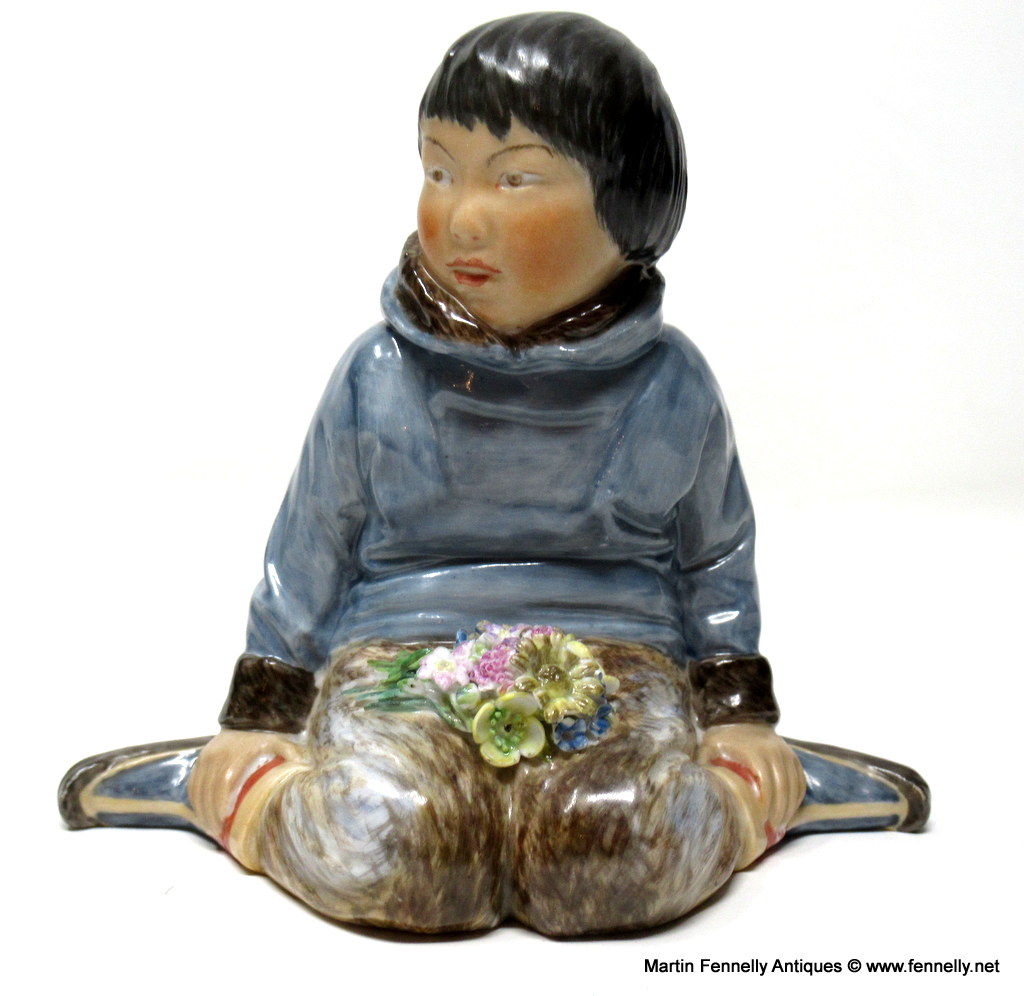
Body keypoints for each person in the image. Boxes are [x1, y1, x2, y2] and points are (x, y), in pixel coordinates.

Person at [59, 12, 928, 936]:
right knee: (407, 850)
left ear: (629, 206)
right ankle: (239, 792)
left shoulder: (670, 384)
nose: (460, 216)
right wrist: (259, 722)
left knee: (610, 853)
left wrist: (736, 718)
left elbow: (714, 557)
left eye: (514, 178)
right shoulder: (376, 375)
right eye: (439, 171)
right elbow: (308, 551)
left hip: (620, 669)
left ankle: (754, 794)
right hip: (399, 664)